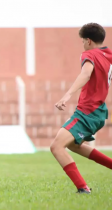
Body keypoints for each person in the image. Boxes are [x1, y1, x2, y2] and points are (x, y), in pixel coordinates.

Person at [51, 23, 112, 194]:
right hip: (99, 111)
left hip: (87, 112)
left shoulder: (89, 54)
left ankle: (83, 188)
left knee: (56, 146)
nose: (83, 44)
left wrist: (67, 95)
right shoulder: (109, 55)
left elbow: (86, 73)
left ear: (89, 41)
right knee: (73, 145)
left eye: (83, 41)